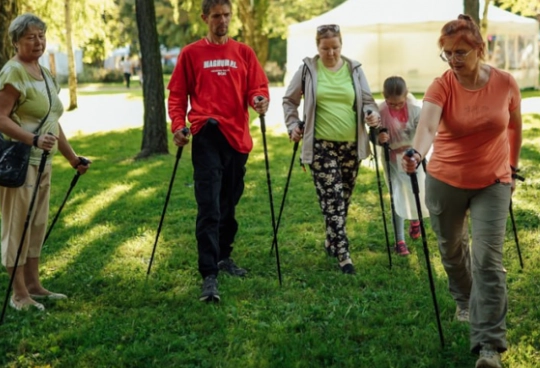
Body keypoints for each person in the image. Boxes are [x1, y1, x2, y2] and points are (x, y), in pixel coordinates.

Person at [402, 14, 522, 368]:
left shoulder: (505, 83)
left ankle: (489, 346)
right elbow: (427, 125)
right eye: (448, 53)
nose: (454, 59)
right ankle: (464, 298)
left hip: (493, 181)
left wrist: (512, 168)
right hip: (446, 179)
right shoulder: (442, 86)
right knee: (452, 252)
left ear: (480, 49)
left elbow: (515, 127)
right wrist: (416, 152)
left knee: (487, 260)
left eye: (461, 52)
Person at [167, 0, 269, 302]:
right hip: (206, 134)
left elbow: (257, 88)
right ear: (204, 18)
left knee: (229, 201)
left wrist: (260, 99)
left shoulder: (244, 53)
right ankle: (209, 273)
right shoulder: (191, 54)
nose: (222, 21)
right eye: (216, 16)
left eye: (226, 15)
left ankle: (224, 256)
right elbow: (177, 96)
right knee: (209, 205)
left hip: (237, 138)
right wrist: (177, 126)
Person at [0, 13, 91, 311]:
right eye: (30, 37)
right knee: (16, 226)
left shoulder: (43, 72)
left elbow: (52, 122)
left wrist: (72, 158)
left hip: (43, 162)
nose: (38, 41)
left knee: (36, 224)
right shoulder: (13, 73)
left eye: (41, 35)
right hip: (18, 162)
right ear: (16, 42)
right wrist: (31, 140)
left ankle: (34, 285)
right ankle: (18, 294)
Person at [283, 24, 380, 275]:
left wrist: (372, 114)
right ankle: (343, 253)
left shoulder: (354, 69)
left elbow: (369, 101)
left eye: (335, 47)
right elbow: (290, 100)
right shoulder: (308, 69)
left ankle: (331, 239)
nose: (331, 53)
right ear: (318, 47)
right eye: (325, 48)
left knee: (343, 199)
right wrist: (293, 124)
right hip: (321, 145)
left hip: (351, 144)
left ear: (341, 45)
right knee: (333, 198)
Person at [376, 76, 428, 256]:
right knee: (397, 196)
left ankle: (415, 221)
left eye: (400, 103)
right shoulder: (380, 111)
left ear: (406, 96)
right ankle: (399, 240)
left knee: (416, 193)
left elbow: (423, 133)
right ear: (384, 97)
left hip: (412, 159)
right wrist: (378, 137)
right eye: (392, 104)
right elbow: (372, 133)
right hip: (392, 159)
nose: (396, 107)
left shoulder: (415, 110)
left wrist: (416, 151)